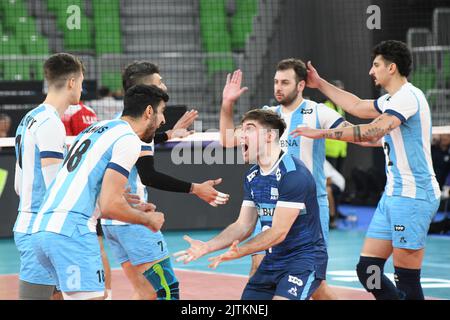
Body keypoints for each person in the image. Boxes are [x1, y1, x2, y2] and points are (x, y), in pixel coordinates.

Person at [291, 40, 441, 300]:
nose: (371, 71)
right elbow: (358, 106)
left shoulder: (408, 96)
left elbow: (372, 131)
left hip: (414, 195)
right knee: (367, 269)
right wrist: (320, 84)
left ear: (391, 68)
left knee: (406, 278)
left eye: (376, 65)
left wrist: (322, 133)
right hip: (393, 194)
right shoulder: (391, 99)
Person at [219, 59, 351, 299]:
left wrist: (322, 133)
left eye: (285, 83)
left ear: (301, 85)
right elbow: (228, 141)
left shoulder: (318, 111)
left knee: (316, 285)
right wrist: (227, 104)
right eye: (276, 82)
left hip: (308, 207)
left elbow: (355, 133)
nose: (278, 87)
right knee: (259, 266)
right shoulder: (268, 117)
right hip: (271, 205)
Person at [101, 61, 230, 300]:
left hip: (113, 222)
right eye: (159, 82)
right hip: (133, 220)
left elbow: (140, 145)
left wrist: (169, 134)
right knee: (167, 290)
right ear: (146, 92)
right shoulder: (136, 132)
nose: (164, 85)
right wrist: (196, 189)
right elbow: (148, 174)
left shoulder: (120, 123)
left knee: (145, 292)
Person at [30, 84, 167, 300]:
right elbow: (110, 206)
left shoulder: (94, 129)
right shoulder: (129, 140)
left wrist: (120, 197)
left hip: (42, 230)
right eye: (162, 112)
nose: (163, 121)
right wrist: (147, 220)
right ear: (149, 111)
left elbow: (84, 185)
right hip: (72, 233)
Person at [174, 109, 328, 300]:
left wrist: (240, 251)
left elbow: (278, 232)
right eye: (241, 129)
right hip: (273, 260)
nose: (240, 134)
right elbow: (243, 225)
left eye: (250, 128)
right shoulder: (252, 176)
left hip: (303, 259)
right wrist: (208, 246)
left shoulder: (293, 175)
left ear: (270, 136)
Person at [13, 53, 84, 299]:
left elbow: (19, 185)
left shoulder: (29, 118)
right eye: (82, 83)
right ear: (72, 83)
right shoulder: (50, 122)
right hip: (41, 231)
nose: (81, 89)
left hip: (32, 225)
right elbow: (56, 189)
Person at [324, 80, 348, 173]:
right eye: (338, 91)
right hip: (329, 151)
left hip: (341, 150)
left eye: (342, 91)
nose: (340, 94)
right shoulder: (324, 106)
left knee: (339, 178)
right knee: (331, 180)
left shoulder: (340, 107)